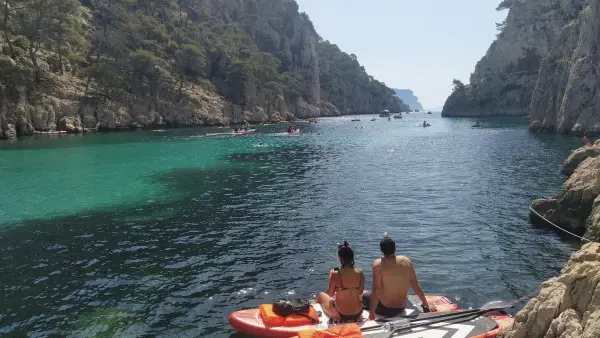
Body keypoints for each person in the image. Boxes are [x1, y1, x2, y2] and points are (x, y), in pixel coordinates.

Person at [363, 236, 429, 319]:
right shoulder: (406, 261)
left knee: (366, 296)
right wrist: (425, 302)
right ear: (395, 248)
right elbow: (415, 284)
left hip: (386, 309)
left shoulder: (377, 264)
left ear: (381, 249)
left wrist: (372, 312)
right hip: (402, 306)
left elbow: (376, 289)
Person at [316, 241, 365, 322]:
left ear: (340, 258)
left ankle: (315, 310)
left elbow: (330, 294)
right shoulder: (360, 272)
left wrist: (331, 276)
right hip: (358, 312)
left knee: (321, 295)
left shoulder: (335, 274)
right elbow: (360, 292)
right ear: (352, 257)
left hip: (340, 314)